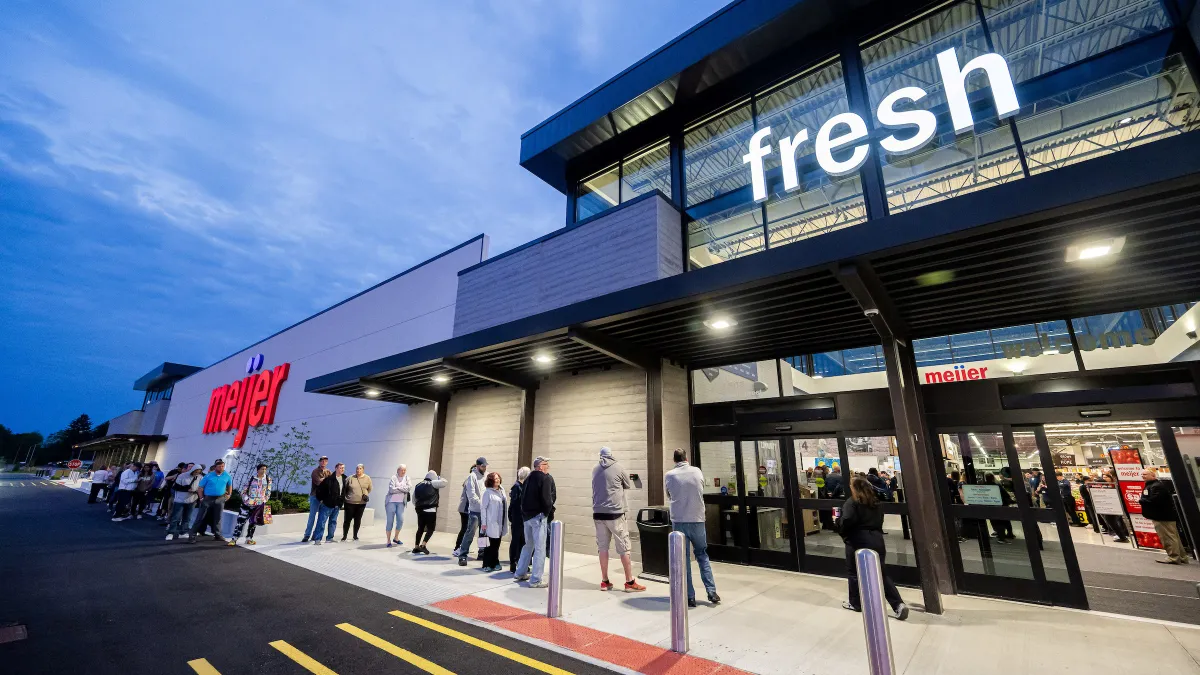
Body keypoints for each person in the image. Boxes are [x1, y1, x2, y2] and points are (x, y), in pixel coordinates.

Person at [838, 476, 909, 620]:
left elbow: (847, 521)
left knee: (853, 572)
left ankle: (855, 602)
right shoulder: (876, 503)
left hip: (857, 540)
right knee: (881, 573)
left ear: (855, 488)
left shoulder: (852, 503)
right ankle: (898, 605)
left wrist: (839, 526)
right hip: (877, 539)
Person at [664, 449, 720, 608]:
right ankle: (711, 591)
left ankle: (690, 596)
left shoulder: (669, 475)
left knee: (684, 560)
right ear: (686, 458)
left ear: (674, 460)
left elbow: (668, 495)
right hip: (697, 520)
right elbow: (700, 488)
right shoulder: (697, 471)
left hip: (679, 521)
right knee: (702, 554)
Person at [591, 447, 645, 592]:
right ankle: (629, 582)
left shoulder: (595, 469)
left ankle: (605, 581)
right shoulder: (619, 468)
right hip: (615, 514)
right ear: (611, 455)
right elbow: (627, 484)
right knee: (624, 548)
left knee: (602, 548)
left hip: (598, 514)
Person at [515, 457, 556, 588]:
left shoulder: (528, 478)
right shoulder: (545, 478)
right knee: (540, 548)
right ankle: (536, 579)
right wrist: (547, 512)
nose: (548, 466)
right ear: (539, 466)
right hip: (538, 517)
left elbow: (523, 498)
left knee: (528, 545)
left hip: (527, 518)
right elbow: (547, 498)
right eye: (545, 464)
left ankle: (520, 572)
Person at [1140, 468, 1190, 565]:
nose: (1143, 476)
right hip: (1163, 515)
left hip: (1162, 516)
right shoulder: (1153, 485)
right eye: (1142, 474)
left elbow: (1155, 500)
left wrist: (1142, 500)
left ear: (1153, 475)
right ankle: (1182, 557)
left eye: (1145, 474)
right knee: (1173, 536)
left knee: (1167, 537)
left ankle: (1173, 557)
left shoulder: (1157, 486)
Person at [452, 458, 488, 566]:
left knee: (483, 533)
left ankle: (482, 552)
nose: (484, 468)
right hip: (475, 511)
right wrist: (483, 505)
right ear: (477, 466)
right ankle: (463, 555)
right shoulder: (471, 477)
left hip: (485, 511)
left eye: (485, 466)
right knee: (470, 533)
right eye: (482, 466)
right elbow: (472, 496)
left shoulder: (486, 475)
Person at [189, 459, 232, 542]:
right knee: (200, 517)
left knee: (218, 518)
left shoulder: (227, 476)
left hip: (220, 499)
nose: (221, 468)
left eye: (222, 466)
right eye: (219, 466)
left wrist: (229, 494)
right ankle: (192, 535)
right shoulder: (208, 476)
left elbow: (229, 485)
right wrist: (201, 498)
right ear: (215, 467)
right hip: (208, 499)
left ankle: (217, 534)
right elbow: (200, 488)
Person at [230, 464, 272, 546]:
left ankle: (249, 538)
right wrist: (246, 499)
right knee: (240, 522)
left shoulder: (268, 479)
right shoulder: (251, 478)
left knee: (253, 522)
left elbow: (268, 491)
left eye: (265, 469)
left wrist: (264, 500)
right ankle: (234, 539)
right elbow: (244, 490)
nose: (264, 471)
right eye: (262, 469)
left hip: (258, 505)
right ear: (258, 470)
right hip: (247, 505)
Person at [411, 470, 448, 554]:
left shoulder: (418, 484)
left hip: (419, 510)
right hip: (430, 510)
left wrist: (419, 506)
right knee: (431, 529)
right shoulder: (433, 483)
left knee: (420, 528)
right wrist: (439, 478)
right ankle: (423, 545)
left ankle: (416, 546)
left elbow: (414, 500)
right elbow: (445, 482)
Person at [313, 462, 348, 545]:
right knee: (321, 522)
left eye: (343, 468)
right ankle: (317, 539)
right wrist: (322, 500)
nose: (342, 469)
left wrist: (341, 502)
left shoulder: (345, 479)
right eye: (340, 468)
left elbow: (345, 491)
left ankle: (330, 538)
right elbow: (319, 490)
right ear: (336, 468)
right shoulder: (329, 479)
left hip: (337, 505)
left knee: (333, 522)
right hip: (327, 505)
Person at [480, 472, 508, 572]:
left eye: (498, 478)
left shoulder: (502, 490)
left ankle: (495, 562)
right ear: (491, 480)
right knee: (489, 545)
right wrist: (484, 523)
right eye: (495, 479)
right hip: (490, 523)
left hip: (500, 522)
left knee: (497, 544)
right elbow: (483, 508)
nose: (497, 480)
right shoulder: (487, 493)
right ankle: (487, 564)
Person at [166, 465, 203, 540]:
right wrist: (187, 489)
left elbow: (201, 487)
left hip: (192, 500)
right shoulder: (182, 476)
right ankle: (171, 533)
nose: (197, 473)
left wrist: (197, 493)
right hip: (180, 499)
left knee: (187, 517)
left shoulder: (200, 477)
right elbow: (176, 487)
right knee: (176, 517)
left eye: (198, 472)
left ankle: (183, 532)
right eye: (196, 471)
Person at [302, 456, 332, 543]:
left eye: (325, 461)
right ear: (319, 462)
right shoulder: (315, 471)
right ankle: (307, 535)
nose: (323, 462)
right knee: (312, 516)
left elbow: (331, 483)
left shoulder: (328, 471)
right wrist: (326, 480)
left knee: (321, 518)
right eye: (322, 461)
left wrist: (326, 480)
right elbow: (319, 482)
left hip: (324, 498)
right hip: (315, 496)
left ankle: (315, 535)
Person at [342, 464, 372, 542]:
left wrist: (364, 494)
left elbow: (369, 489)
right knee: (347, 520)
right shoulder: (350, 478)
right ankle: (344, 536)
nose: (358, 470)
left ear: (363, 470)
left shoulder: (367, 478)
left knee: (357, 519)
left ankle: (355, 536)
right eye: (357, 469)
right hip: (350, 502)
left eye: (360, 469)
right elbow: (345, 488)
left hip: (361, 503)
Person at [508, 467, 529, 574]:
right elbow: (514, 505)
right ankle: (513, 563)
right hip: (517, 519)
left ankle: (521, 563)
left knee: (523, 542)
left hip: (523, 519)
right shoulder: (516, 487)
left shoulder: (522, 487)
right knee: (516, 541)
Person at [385, 464, 411, 548]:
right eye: (401, 470)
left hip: (401, 503)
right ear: (398, 470)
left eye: (404, 470)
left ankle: (396, 538)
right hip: (391, 502)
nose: (403, 472)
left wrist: (398, 488)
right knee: (390, 521)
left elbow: (409, 488)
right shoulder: (393, 478)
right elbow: (391, 490)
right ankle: (388, 540)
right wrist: (402, 488)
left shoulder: (407, 478)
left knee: (400, 520)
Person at [984, 473, 1014, 542]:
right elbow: (1005, 495)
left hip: (990, 506)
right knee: (1005, 520)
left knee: (995, 521)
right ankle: (1009, 534)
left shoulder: (984, 486)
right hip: (1001, 505)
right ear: (993, 478)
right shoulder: (996, 486)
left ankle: (1000, 535)